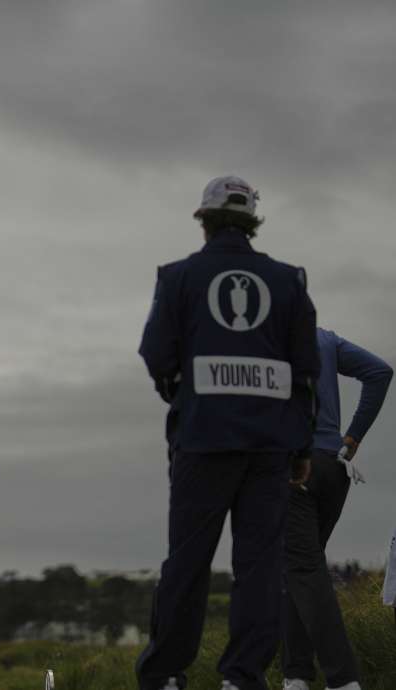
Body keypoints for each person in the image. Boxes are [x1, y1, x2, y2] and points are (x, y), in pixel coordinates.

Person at [135, 176, 320, 690]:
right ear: (253, 221)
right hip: (271, 447)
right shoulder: (290, 281)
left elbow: (156, 356)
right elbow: (306, 371)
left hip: (202, 439)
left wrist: (187, 399)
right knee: (259, 567)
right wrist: (301, 446)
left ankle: (166, 675)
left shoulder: (177, 278)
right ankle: (242, 677)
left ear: (204, 219)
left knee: (188, 562)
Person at [283, 328, 391, 690]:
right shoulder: (323, 338)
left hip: (291, 469)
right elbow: (380, 372)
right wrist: (354, 436)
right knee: (299, 571)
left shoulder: (259, 338)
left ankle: (343, 680)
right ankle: (295, 676)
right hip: (333, 467)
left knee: (302, 569)